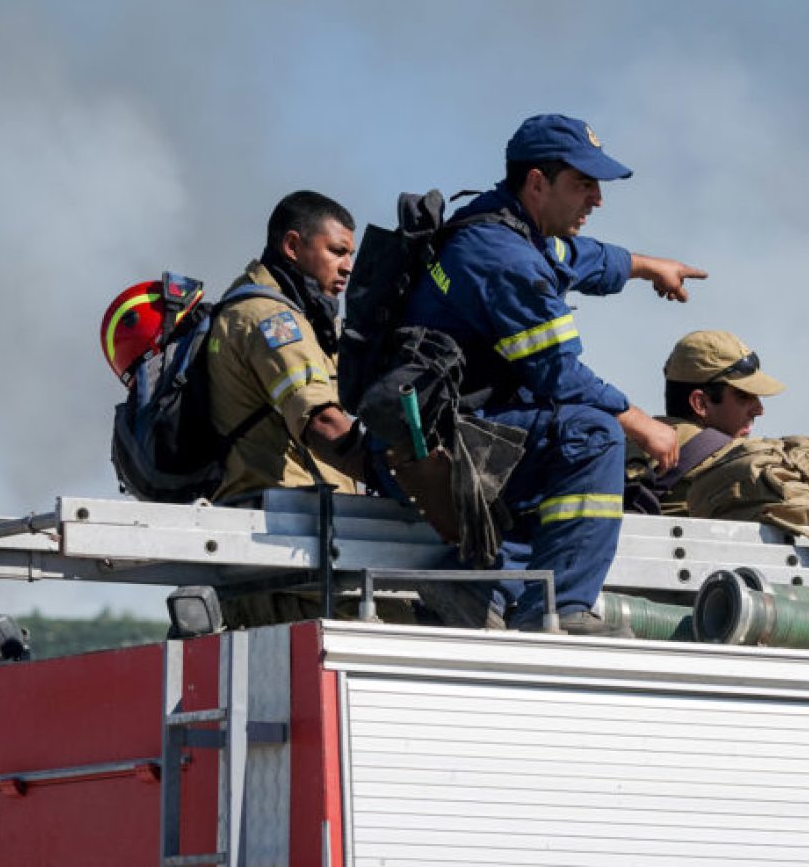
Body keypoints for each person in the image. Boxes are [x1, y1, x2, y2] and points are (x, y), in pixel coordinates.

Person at [401, 113, 706, 635]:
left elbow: (577, 258)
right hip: (450, 446)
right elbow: (560, 376)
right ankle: (559, 609)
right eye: (583, 184)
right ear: (538, 183)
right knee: (592, 434)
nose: (598, 199)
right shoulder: (503, 259)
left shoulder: (503, 225)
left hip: (456, 429)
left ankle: (481, 589)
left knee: (559, 433)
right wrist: (645, 426)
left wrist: (647, 265)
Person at [208, 190, 375, 625]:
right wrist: (400, 476)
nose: (348, 266)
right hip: (285, 546)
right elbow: (321, 421)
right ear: (292, 246)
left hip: (291, 542)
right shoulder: (271, 319)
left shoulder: (285, 313)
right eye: (337, 251)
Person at [625, 330, 785, 515]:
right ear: (700, 403)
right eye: (743, 396)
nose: (759, 410)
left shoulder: (634, 441)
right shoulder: (728, 459)